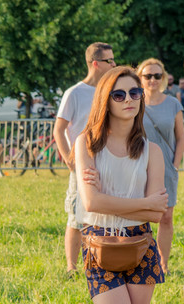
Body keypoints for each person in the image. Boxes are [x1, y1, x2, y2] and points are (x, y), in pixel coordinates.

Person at [73, 66, 177, 304]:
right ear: (105, 99)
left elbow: (156, 213)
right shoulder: (86, 143)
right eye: (119, 94)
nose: (130, 100)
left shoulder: (151, 151)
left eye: (135, 93)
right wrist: (141, 203)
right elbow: (90, 202)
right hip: (100, 249)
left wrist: (123, 204)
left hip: (141, 249)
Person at [53, 42, 116, 275]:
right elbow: (59, 129)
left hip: (108, 162)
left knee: (103, 216)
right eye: (110, 60)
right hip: (82, 164)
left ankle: (98, 261)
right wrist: (70, 158)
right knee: (77, 216)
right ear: (96, 64)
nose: (114, 64)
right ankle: (72, 267)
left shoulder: (111, 90)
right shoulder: (75, 93)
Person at [136, 58, 184, 274]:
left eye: (157, 75)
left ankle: (163, 264)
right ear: (140, 78)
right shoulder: (133, 101)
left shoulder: (173, 103)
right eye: (148, 76)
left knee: (166, 217)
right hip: (138, 164)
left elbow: (181, 137)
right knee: (139, 214)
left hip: (166, 166)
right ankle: (139, 258)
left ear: (163, 78)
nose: (152, 80)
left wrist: (175, 164)